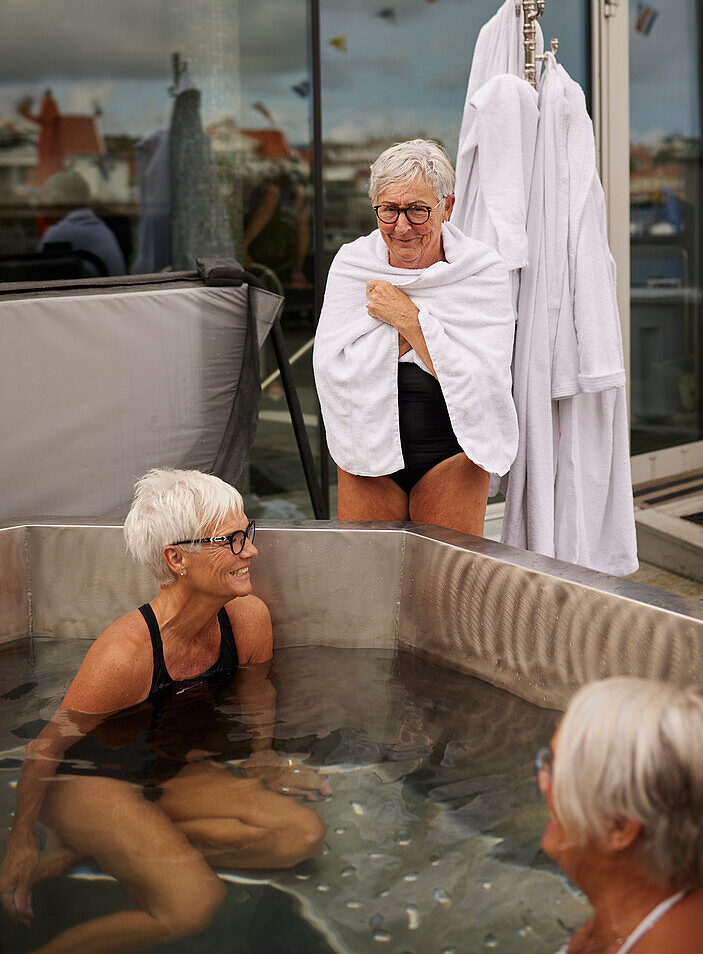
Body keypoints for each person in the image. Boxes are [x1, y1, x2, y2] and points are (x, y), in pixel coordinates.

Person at [0, 468, 327, 954]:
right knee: (194, 905)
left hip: (169, 767)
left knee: (300, 835)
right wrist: (22, 840)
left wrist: (264, 754)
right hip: (92, 780)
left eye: (247, 532)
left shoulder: (246, 618)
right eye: (230, 540)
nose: (251, 550)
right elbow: (47, 747)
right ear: (176, 558)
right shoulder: (125, 655)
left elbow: (256, 691)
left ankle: (109, 849)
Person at [313, 138, 518, 537]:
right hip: (364, 453)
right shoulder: (353, 264)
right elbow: (329, 365)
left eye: (418, 210)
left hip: (452, 456)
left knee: (446, 589)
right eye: (389, 210)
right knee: (369, 584)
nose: (402, 227)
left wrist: (406, 318)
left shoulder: (481, 271)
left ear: (448, 207)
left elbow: (485, 377)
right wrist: (435, 338)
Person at [535, 677, 703, 954]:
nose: (542, 782)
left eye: (556, 771)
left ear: (618, 826)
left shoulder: (680, 943)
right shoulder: (658, 897)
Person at [39, 170, 126, 277]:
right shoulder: (100, 227)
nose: (43, 212)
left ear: (55, 203)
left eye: (44, 205)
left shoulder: (59, 233)